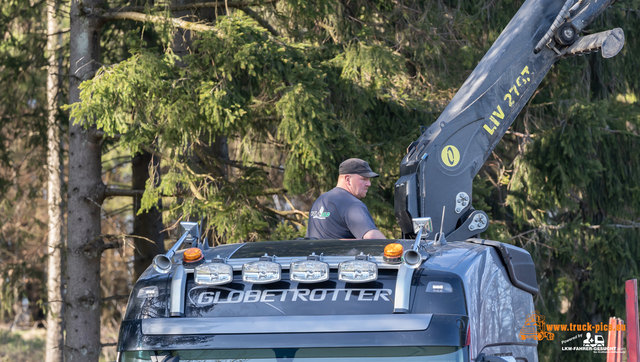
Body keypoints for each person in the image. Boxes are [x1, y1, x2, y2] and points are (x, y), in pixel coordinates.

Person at [306, 158, 386, 240]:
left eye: (369, 180)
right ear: (348, 179)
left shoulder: (320, 200)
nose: (369, 184)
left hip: (314, 252)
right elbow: (373, 238)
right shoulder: (352, 204)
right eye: (364, 179)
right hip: (338, 253)